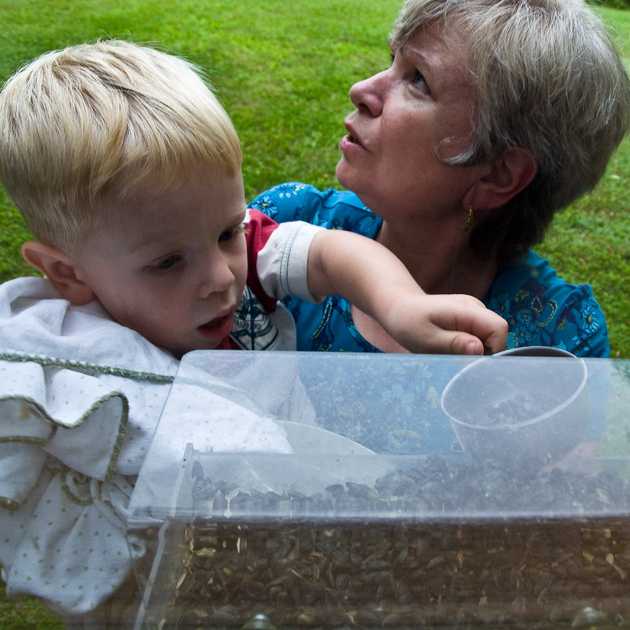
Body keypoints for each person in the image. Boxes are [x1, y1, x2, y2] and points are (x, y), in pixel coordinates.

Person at [0, 40, 508, 623]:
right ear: (69, 274)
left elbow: (328, 253)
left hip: (298, 507)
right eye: (168, 263)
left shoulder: (250, 254)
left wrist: (401, 306)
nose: (221, 277)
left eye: (225, 231)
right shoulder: (69, 362)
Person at [251, 0, 630, 357]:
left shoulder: (560, 340)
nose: (362, 90)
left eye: (418, 80)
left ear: (497, 176)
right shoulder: (283, 228)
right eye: (392, 60)